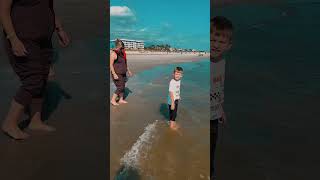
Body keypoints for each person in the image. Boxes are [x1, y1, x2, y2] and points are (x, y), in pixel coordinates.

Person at [0, 0, 70, 140]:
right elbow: (3, 11)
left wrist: (59, 29)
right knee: (33, 80)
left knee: (43, 78)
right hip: (22, 38)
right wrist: (13, 39)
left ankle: (35, 121)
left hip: (44, 40)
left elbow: (48, 6)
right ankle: (10, 123)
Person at [210, 16, 233, 179]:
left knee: (210, 152)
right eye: (212, 39)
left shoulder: (222, 62)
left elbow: (219, 89)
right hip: (201, 116)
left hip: (214, 117)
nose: (216, 44)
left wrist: (221, 109)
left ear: (229, 45)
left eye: (221, 41)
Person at [110, 39, 133, 106]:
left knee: (123, 86)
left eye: (123, 48)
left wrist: (128, 70)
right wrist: (114, 74)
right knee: (120, 87)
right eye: (121, 48)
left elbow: (125, 63)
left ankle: (121, 99)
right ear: (118, 46)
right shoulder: (113, 54)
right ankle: (113, 100)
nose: (122, 49)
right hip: (117, 73)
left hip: (123, 73)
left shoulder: (122, 54)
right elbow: (110, 65)